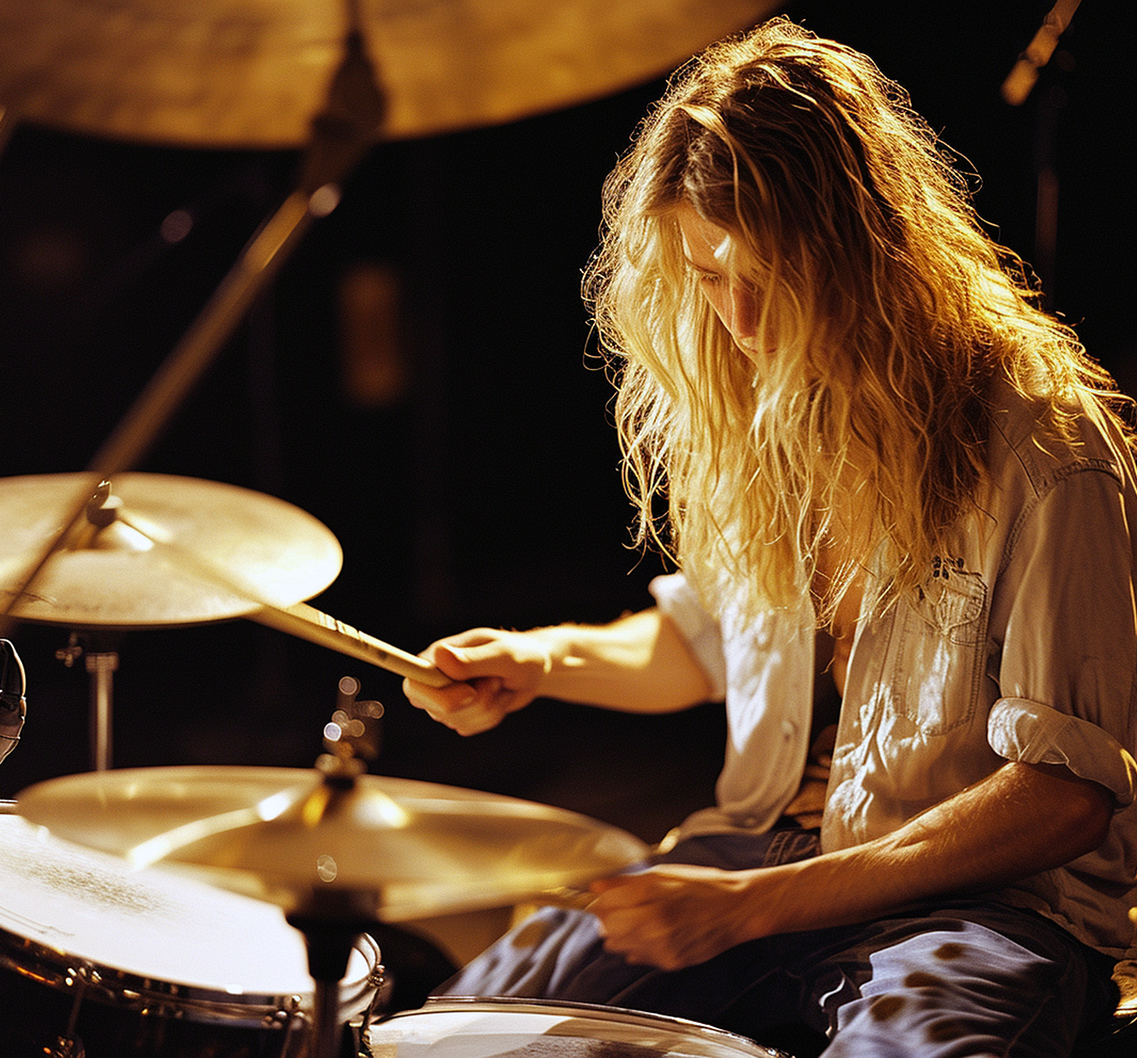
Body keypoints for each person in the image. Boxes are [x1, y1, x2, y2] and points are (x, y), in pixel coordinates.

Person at [401, 17, 1137, 1057]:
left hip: (979, 904)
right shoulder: (763, 414)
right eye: (706, 277)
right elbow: (705, 644)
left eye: (767, 273)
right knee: (455, 1037)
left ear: (865, 249)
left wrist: (749, 909)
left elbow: (1063, 799)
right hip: (751, 855)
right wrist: (540, 660)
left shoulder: (1044, 447)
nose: (738, 319)